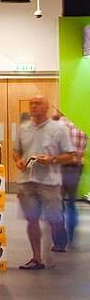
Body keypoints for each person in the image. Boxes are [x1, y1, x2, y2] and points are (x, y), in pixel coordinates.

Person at [11, 97, 68, 270]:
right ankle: (37, 258)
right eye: (32, 104)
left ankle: (56, 245)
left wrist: (52, 159)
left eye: (38, 104)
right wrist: (18, 160)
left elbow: (70, 155)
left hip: (49, 182)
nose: (34, 106)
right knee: (32, 219)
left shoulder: (58, 129)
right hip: (27, 180)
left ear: (47, 107)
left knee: (53, 219)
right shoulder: (23, 128)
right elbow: (15, 150)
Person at [54, 107, 84, 251]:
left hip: (59, 169)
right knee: (71, 204)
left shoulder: (59, 125)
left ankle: (60, 241)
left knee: (58, 205)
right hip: (75, 169)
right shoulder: (81, 128)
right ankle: (71, 237)